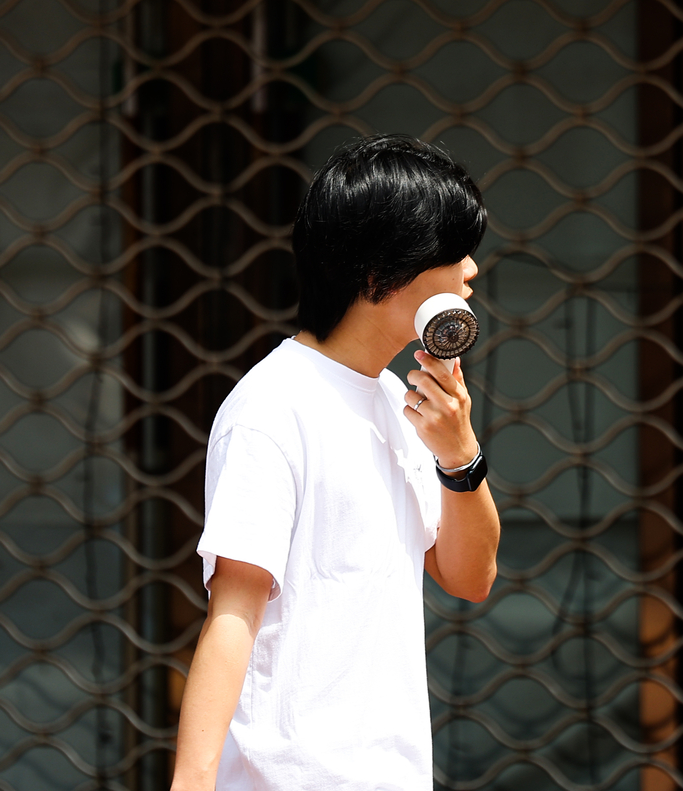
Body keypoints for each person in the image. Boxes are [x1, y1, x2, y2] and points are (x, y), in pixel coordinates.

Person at [169, 134, 501, 791]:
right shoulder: (272, 407)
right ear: (382, 269)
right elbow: (233, 610)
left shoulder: (397, 400)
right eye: (452, 250)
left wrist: (460, 455)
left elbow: (471, 576)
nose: (471, 271)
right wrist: (192, 781)